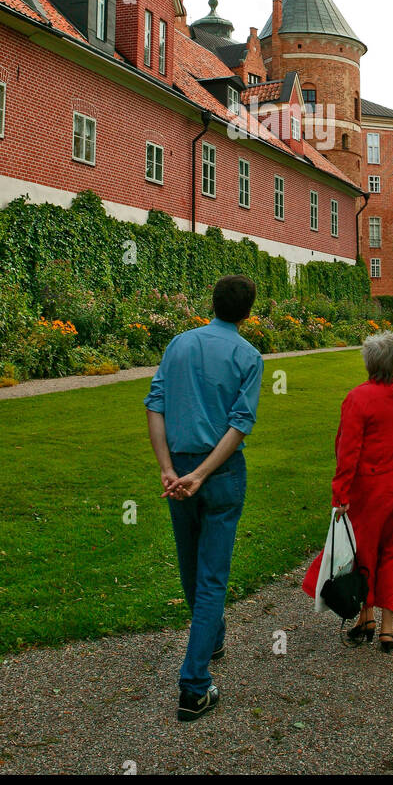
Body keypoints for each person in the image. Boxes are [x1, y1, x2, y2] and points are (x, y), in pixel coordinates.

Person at [144, 274, 263, 722]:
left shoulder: (179, 343)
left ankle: (210, 637)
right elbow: (239, 424)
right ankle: (194, 687)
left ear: (211, 302)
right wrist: (196, 473)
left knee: (192, 568)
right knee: (210, 576)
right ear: (247, 312)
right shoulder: (247, 355)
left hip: (182, 470)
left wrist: (170, 468)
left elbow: (155, 404)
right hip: (219, 473)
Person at [303, 331, 393, 651]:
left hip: (373, 489)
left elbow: (347, 453)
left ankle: (365, 617)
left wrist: (340, 495)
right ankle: (386, 628)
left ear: (369, 365)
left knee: (364, 554)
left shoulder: (359, 398)